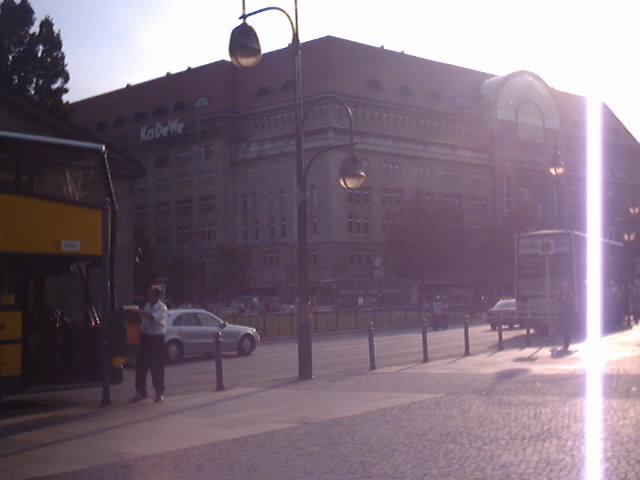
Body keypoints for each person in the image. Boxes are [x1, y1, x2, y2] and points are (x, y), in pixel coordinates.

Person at [129, 285, 168, 403]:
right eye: (149, 293)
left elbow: (152, 318)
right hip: (146, 337)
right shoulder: (147, 305)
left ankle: (159, 392)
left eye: (151, 294)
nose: (148, 296)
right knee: (141, 366)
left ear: (157, 296)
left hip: (157, 338)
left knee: (157, 366)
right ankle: (140, 392)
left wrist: (139, 311)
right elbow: (145, 321)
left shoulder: (162, 308)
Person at [558, 283, 575, 352]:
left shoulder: (569, 296)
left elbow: (571, 305)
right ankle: (565, 345)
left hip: (569, 316)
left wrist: (565, 300)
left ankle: (566, 345)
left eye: (565, 289)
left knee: (567, 331)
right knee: (565, 331)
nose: (564, 290)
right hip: (563, 316)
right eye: (563, 289)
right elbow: (558, 301)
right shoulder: (561, 296)